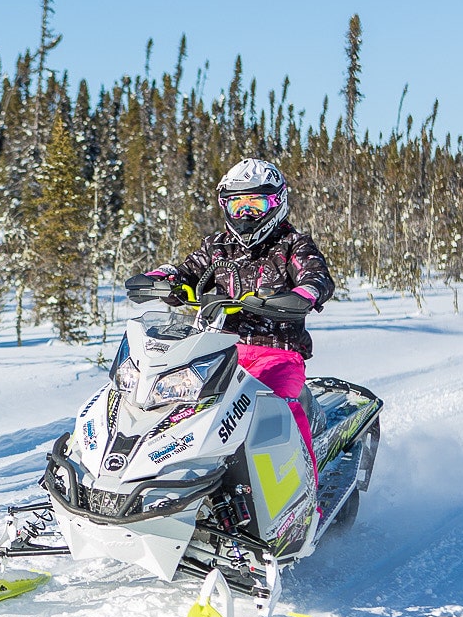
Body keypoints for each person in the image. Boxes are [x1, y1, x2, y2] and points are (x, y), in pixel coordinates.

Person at [129, 158, 333, 475]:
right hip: (216, 350)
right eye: (238, 205)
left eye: (256, 203)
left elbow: (316, 277)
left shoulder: (293, 244)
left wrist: (301, 295)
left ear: (277, 203)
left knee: (276, 408)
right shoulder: (218, 247)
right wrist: (163, 279)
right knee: (171, 403)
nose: (246, 214)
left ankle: (305, 483)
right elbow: (187, 271)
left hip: (276, 354)